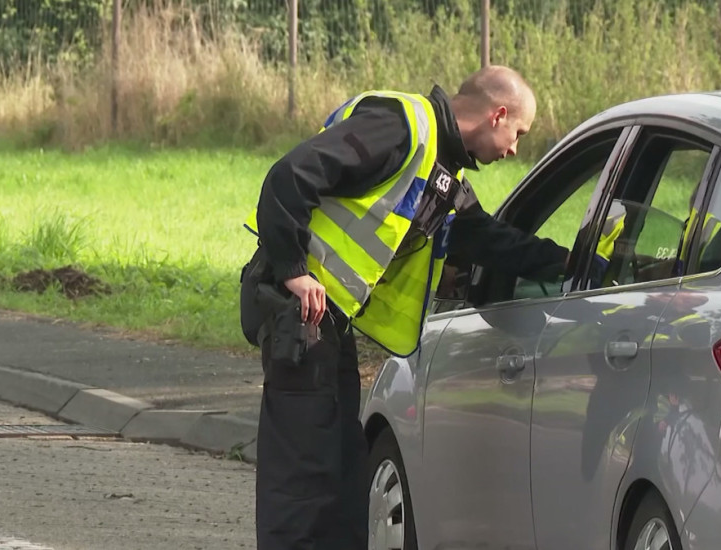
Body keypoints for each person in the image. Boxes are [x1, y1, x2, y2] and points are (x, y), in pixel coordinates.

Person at [239, 65, 569, 550]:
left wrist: (572, 264)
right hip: (298, 309)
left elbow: (488, 239)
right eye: (518, 133)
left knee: (341, 468)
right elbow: (289, 176)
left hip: (328, 323)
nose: (515, 148)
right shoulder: (400, 127)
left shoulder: (443, 169)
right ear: (497, 115)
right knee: (304, 477)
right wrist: (293, 269)